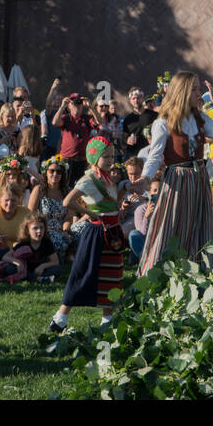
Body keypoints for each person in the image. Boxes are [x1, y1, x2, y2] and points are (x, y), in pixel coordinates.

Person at [136, 72, 213, 276]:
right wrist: (144, 178)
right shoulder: (163, 122)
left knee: (199, 228)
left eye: (199, 88)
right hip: (177, 180)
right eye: (194, 89)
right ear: (182, 92)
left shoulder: (200, 118)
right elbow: (154, 156)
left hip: (199, 179)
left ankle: (197, 274)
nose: (199, 93)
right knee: (172, 227)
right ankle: (159, 274)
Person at [50, 136, 130, 331]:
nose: (110, 160)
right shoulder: (88, 180)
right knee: (82, 272)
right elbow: (67, 202)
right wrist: (89, 213)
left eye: (112, 155)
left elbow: (110, 203)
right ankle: (60, 318)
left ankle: (107, 322)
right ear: (94, 157)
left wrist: (123, 197)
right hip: (96, 232)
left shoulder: (109, 178)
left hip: (113, 232)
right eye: (106, 156)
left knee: (112, 276)